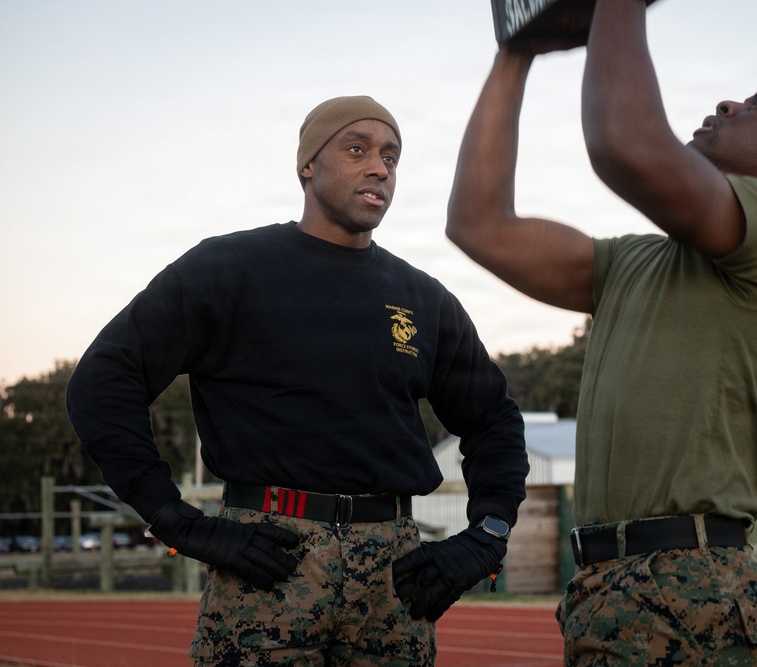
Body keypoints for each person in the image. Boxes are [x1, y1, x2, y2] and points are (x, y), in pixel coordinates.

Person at [446, 0, 757, 664]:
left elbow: (627, 144)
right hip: (608, 585)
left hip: (691, 582)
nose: (728, 103)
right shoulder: (637, 261)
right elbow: (479, 224)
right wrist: (516, 52)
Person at [66, 95, 529, 666]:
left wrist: (487, 534)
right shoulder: (228, 269)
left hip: (393, 575)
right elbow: (104, 380)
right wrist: (174, 520)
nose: (379, 167)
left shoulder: (422, 298)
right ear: (308, 164)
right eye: (356, 149)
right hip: (268, 563)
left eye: (391, 156)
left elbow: (493, 419)